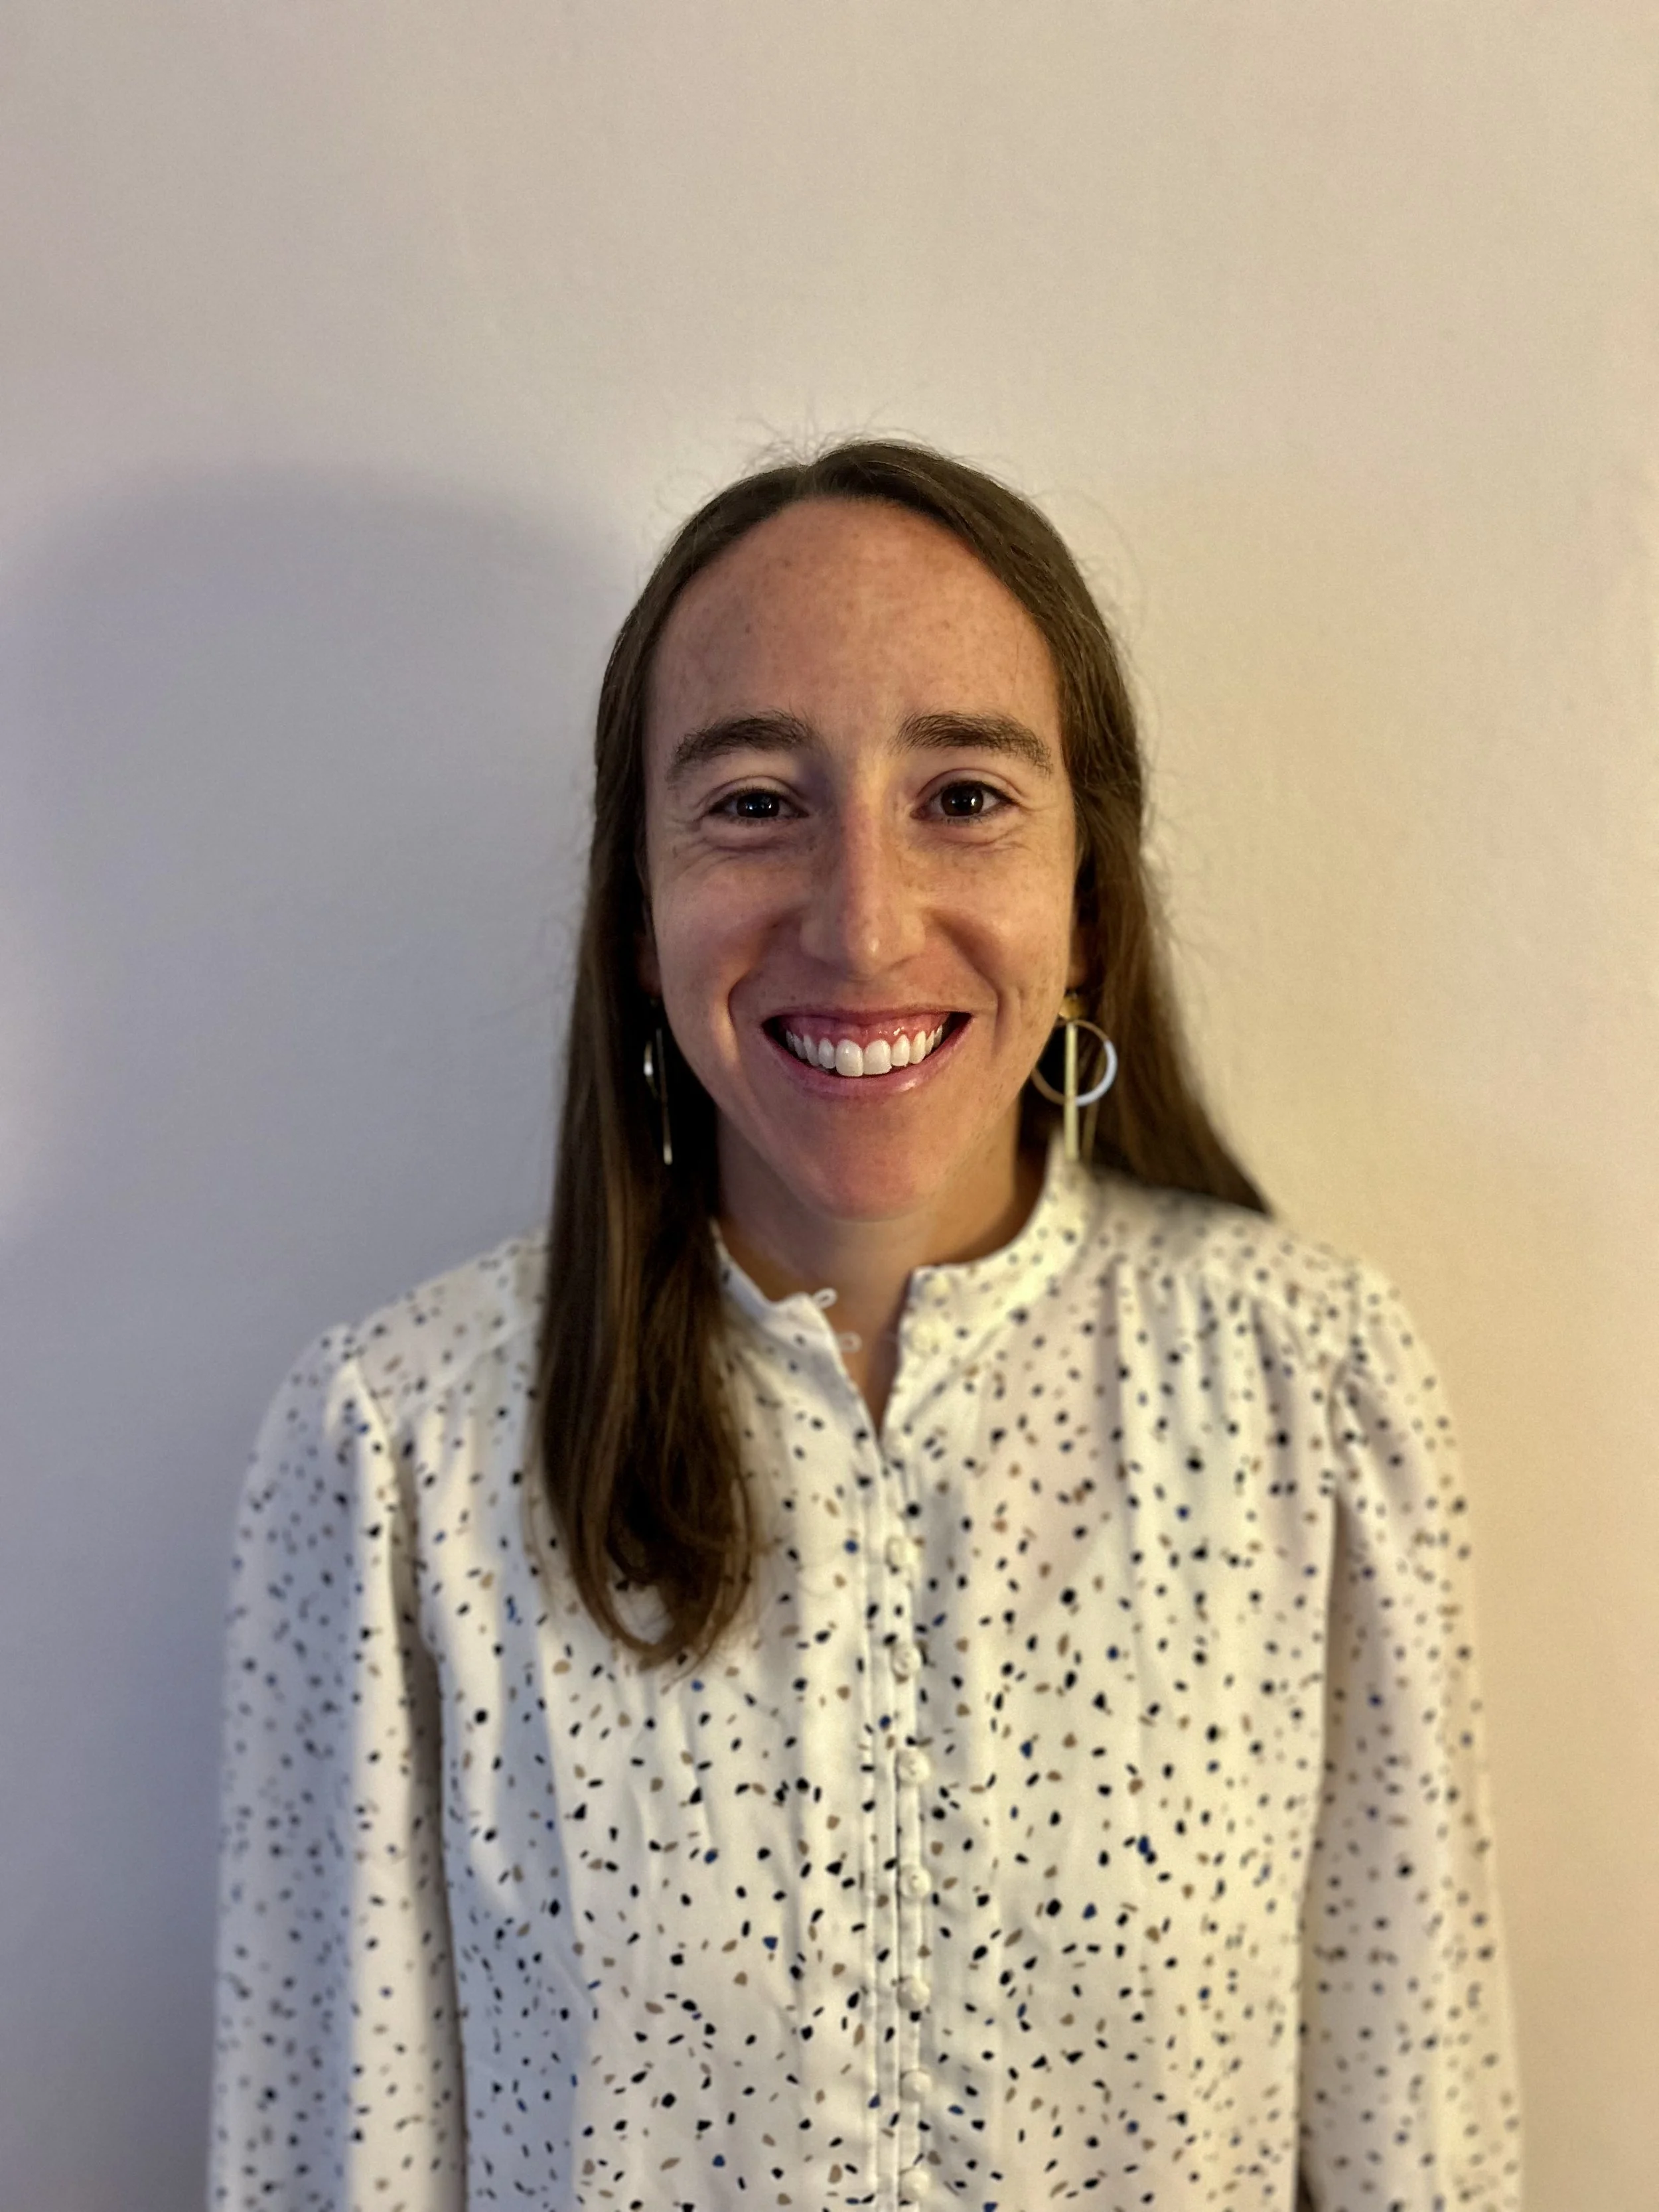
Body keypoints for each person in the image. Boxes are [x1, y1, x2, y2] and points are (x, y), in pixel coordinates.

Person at [209, 441, 1521, 2211]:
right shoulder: (396, 1452)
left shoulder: (1309, 1392)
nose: (863, 918)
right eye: (753, 800)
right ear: (634, 913)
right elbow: (325, 2170)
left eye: (963, 795)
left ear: (1086, 901)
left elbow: (1414, 2148)